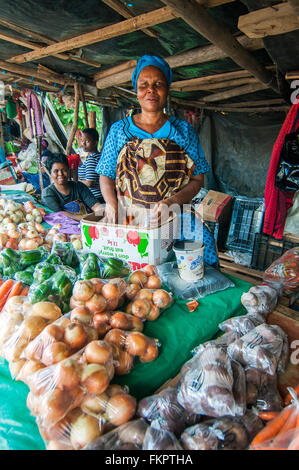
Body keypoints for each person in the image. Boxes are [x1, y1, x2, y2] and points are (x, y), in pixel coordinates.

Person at [96, 55, 210, 224]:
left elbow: (197, 179)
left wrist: (172, 203)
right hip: (129, 219)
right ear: (136, 91)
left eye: (158, 84)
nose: (151, 89)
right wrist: (111, 205)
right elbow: (106, 174)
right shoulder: (119, 131)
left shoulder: (184, 131)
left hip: (174, 217)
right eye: (144, 84)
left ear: (167, 89)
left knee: (200, 245)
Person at [41, 153, 103, 221]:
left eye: (64, 170)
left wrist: (100, 211)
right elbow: (59, 215)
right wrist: (85, 218)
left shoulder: (79, 186)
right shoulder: (48, 193)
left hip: (88, 222)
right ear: (50, 173)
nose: (60, 174)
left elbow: (95, 205)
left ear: (68, 170)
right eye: (56, 171)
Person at [78, 128, 104, 202]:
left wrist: (77, 180)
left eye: (87, 141)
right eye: (82, 141)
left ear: (95, 143)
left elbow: (89, 183)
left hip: (95, 198)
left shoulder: (92, 159)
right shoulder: (99, 156)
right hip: (102, 196)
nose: (83, 144)